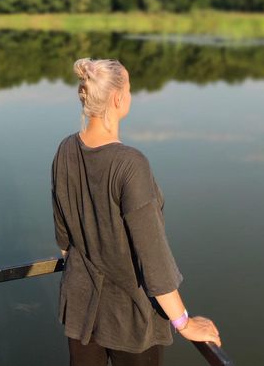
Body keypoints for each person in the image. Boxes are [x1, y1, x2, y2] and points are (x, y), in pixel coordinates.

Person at [51, 58, 221, 365]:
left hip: (80, 309)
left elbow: (64, 241)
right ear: (118, 99)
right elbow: (154, 260)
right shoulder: (130, 164)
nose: (130, 95)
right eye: (129, 89)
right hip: (129, 319)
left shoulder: (65, 149)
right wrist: (184, 322)